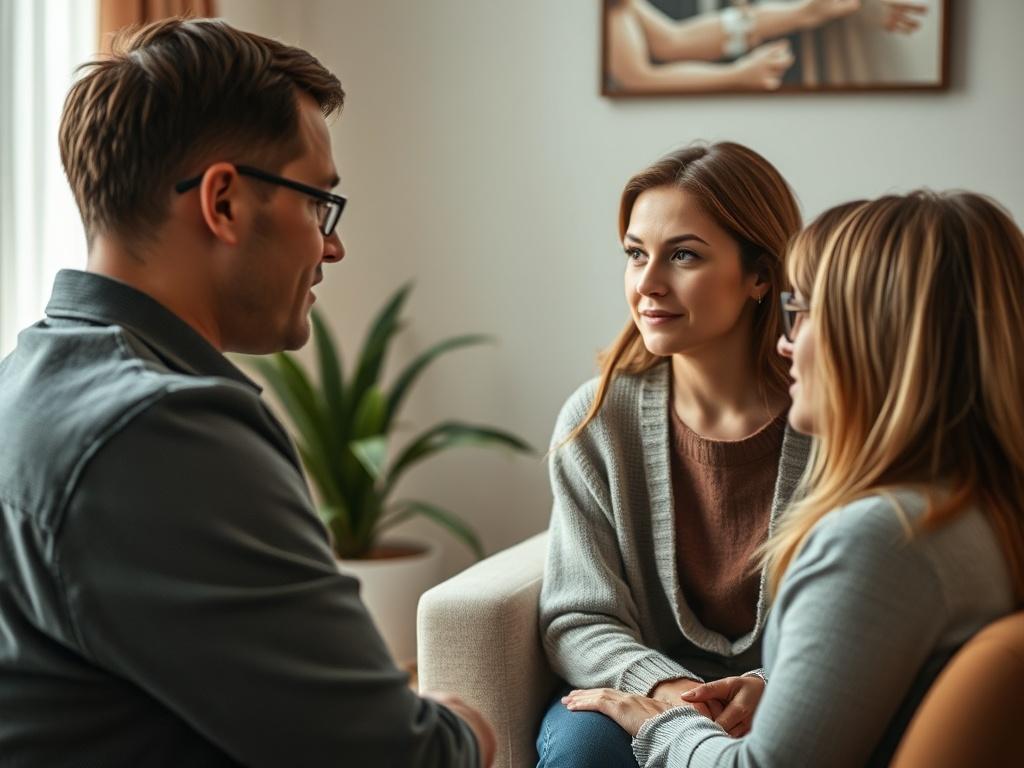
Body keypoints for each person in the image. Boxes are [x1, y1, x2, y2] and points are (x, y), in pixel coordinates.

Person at [0, 18, 494, 767]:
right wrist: (469, 725)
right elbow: (394, 757)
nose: (332, 245)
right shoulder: (160, 433)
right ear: (224, 202)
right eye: (316, 203)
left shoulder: (27, 382)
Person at [562, 192, 1024, 766]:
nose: (786, 341)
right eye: (634, 252)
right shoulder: (975, 507)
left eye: (805, 314)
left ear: (876, 339)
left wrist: (668, 721)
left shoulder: (878, 539)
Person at [537, 141, 810, 767]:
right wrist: (670, 689)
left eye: (682, 255)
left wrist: (771, 685)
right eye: (636, 254)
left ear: (761, 275)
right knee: (584, 753)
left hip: (795, 688)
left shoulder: (832, 416)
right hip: (645, 687)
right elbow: (578, 616)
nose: (648, 284)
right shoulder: (597, 418)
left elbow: (865, 609)